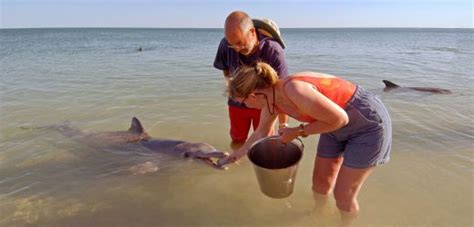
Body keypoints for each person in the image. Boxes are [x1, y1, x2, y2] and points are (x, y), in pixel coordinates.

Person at [217, 62, 392, 216]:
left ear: (254, 95)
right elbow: (260, 133)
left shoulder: (293, 89)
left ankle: (345, 223)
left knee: (343, 196)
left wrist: (297, 132)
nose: (242, 106)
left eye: (242, 102)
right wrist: (233, 157)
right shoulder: (271, 102)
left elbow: (341, 119)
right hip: (331, 124)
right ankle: (319, 215)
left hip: (366, 123)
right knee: (320, 184)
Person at [214, 11, 289, 148]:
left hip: (263, 106)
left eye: (240, 43)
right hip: (237, 104)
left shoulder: (273, 51)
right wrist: (235, 92)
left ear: (252, 32)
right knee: (237, 139)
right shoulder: (225, 44)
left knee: (264, 142)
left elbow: (282, 91)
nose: (236, 49)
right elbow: (226, 70)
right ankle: (238, 164)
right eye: (232, 45)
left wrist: (283, 123)